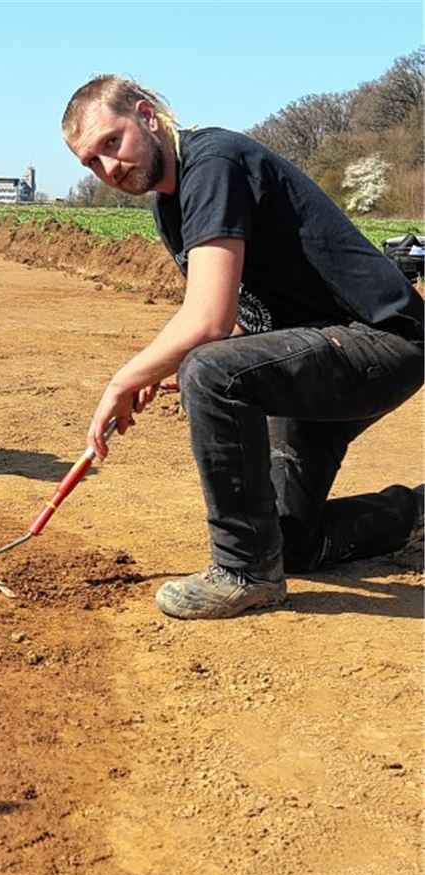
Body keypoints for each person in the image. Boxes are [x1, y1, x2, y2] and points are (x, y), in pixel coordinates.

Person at [61, 76, 424, 620]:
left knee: (210, 371)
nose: (108, 167)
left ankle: (244, 574)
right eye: (92, 162)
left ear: (146, 115)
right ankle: (415, 511)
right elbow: (236, 318)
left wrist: (125, 380)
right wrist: (168, 367)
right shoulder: (171, 204)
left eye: (112, 142)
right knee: (289, 540)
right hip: (317, 350)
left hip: (383, 341)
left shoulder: (213, 161)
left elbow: (208, 321)